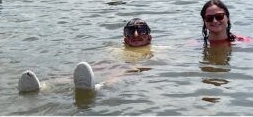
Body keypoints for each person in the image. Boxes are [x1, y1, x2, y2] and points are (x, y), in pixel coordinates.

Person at [18, 18, 153, 93]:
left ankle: (100, 87)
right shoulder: (115, 48)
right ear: (125, 39)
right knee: (93, 67)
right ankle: (44, 86)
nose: (136, 35)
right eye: (131, 31)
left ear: (149, 38)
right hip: (113, 62)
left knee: (125, 72)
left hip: (131, 67)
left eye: (141, 30)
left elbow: (155, 64)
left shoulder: (156, 49)